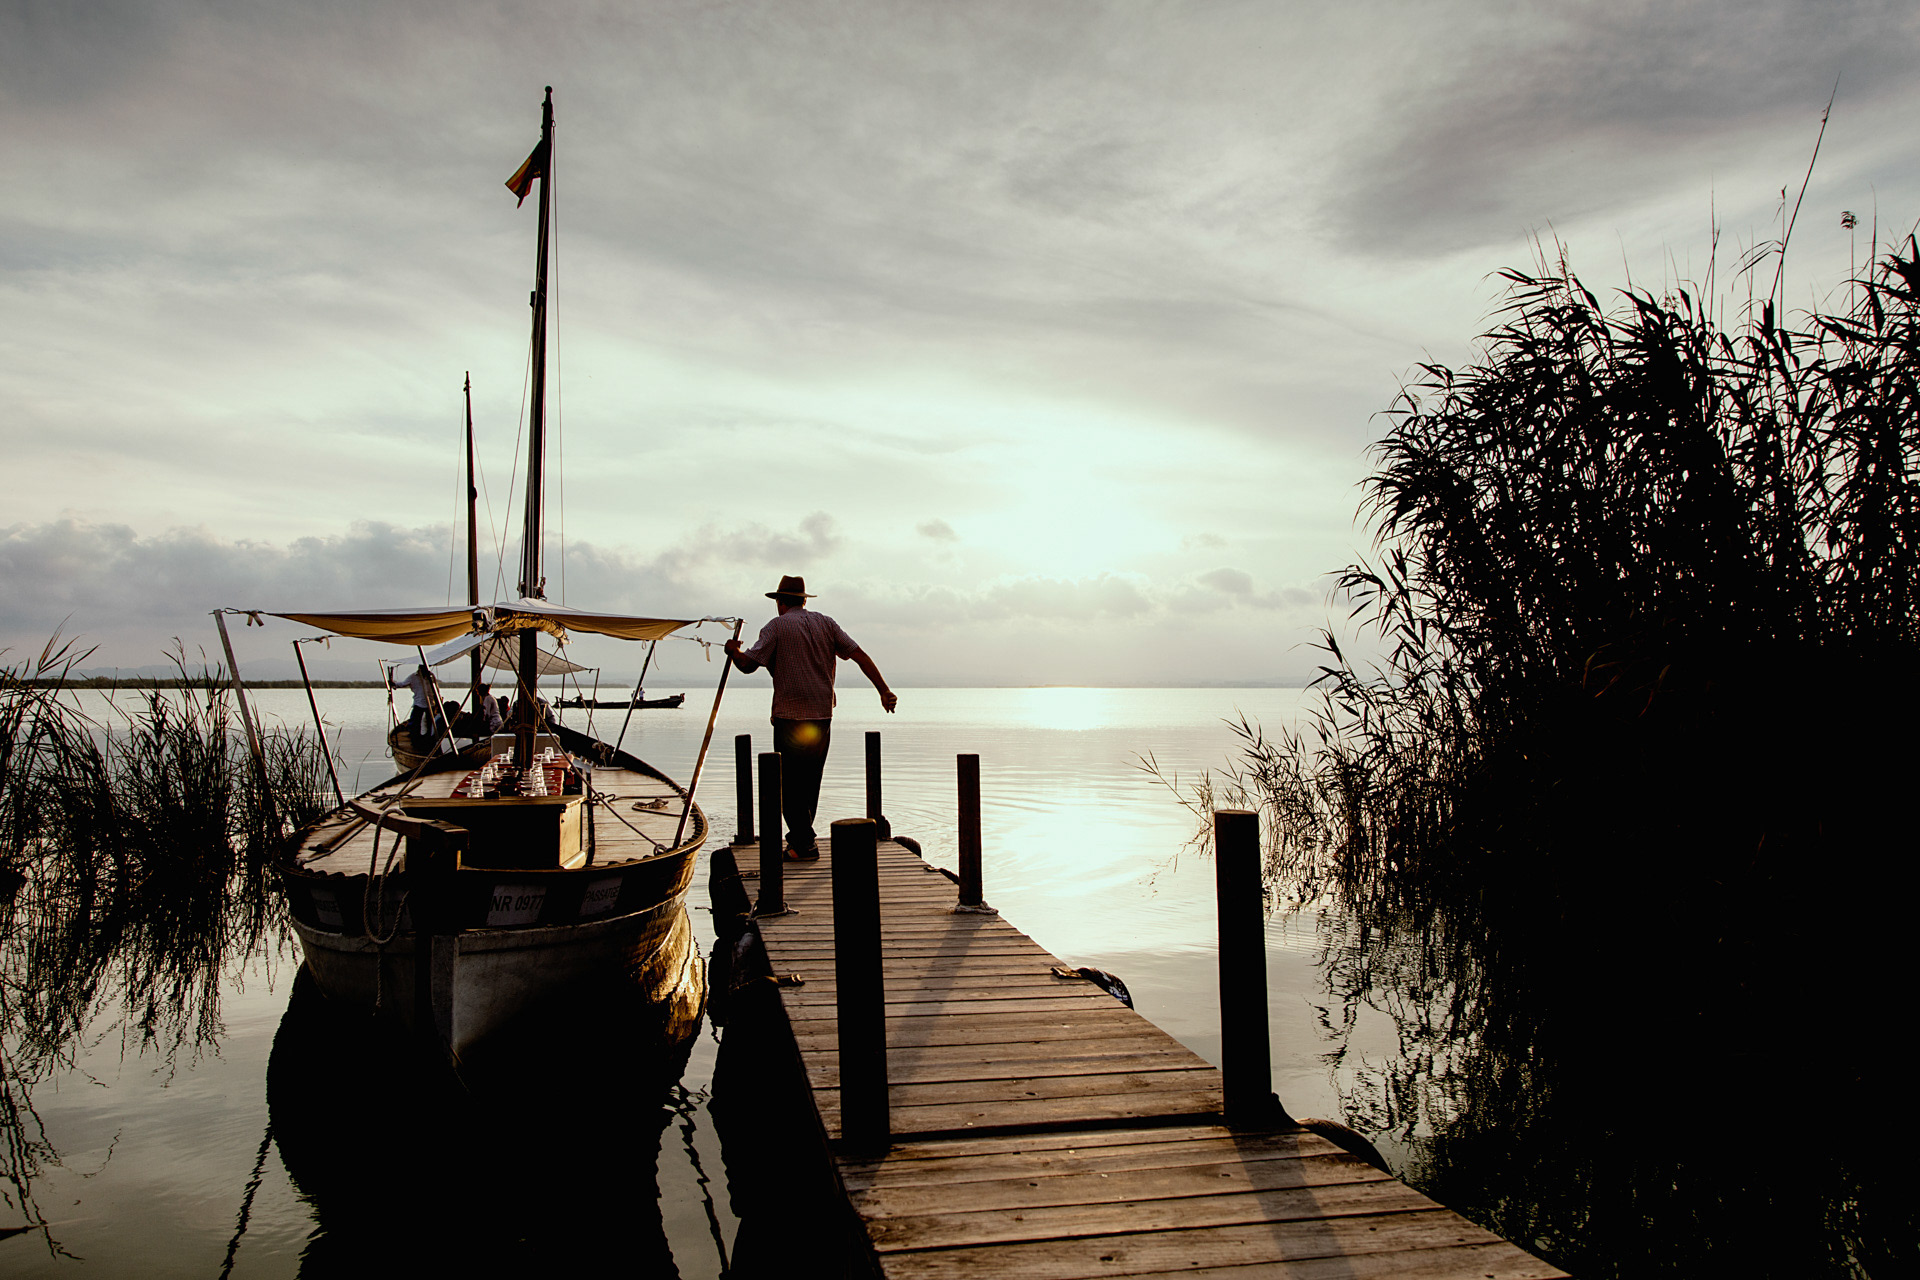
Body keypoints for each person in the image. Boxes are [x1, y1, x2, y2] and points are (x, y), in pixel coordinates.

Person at [725, 575, 896, 859]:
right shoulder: (826, 624)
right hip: (821, 718)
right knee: (809, 782)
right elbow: (859, 655)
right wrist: (884, 690)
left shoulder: (776, 627)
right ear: (804, 601)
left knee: (787, 785)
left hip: (790, 719)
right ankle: (800, 841)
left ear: (780, 602)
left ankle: (803, 844)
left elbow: (746, 666)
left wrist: (734, 650)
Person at [391, 663, 436, 739]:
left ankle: (430, 738)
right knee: (415, 722)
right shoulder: (413, 677)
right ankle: (414, 737)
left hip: (431, 703)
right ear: (419, 669)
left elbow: (435, 689)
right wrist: (394, 684)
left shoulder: (430, 676)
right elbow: (403, 684)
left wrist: (438, 700)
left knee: (430, 722)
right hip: (419, 703)